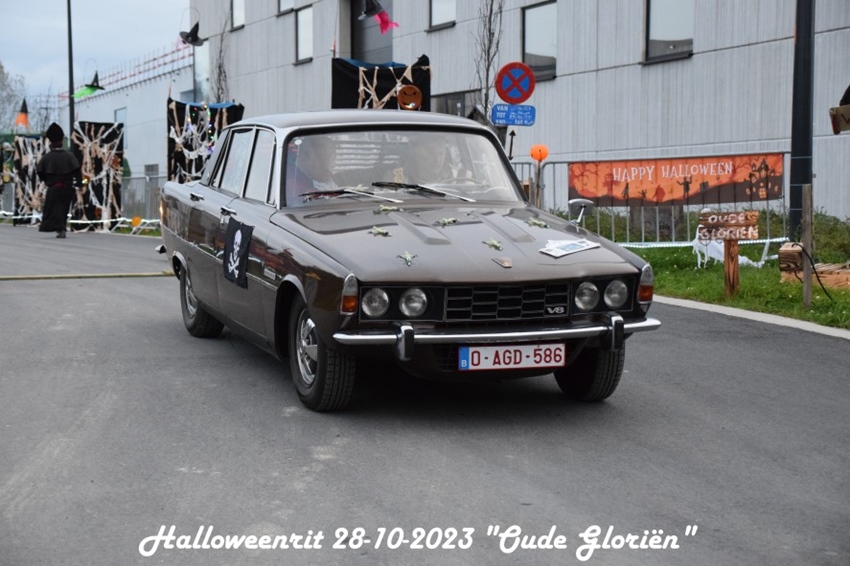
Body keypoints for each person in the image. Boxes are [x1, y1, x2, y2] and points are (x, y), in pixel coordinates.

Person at [36, 123, 81, 239]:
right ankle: (61, 228)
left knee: (53, 209)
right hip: (67, 188)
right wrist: (79, 183)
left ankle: (59, 228)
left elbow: (40, 171)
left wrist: (46, 180)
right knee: (63, 208)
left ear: (51, 143)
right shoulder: (69, 156)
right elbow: (77, 170)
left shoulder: (47, 157)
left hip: (53, 188)